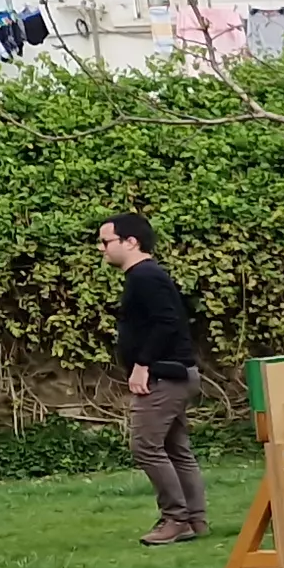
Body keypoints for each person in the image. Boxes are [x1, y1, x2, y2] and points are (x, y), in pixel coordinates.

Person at [98, 213, 206, 546]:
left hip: (164, 377)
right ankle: (195, 520)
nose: (101, 249)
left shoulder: (145, 276)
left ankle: (176, 518)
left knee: (145, 446)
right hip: (174, 374)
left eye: (106, 242)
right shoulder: (146, 276)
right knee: (175, 449)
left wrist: (143, 364)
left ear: (131, 242)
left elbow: (167, 321)